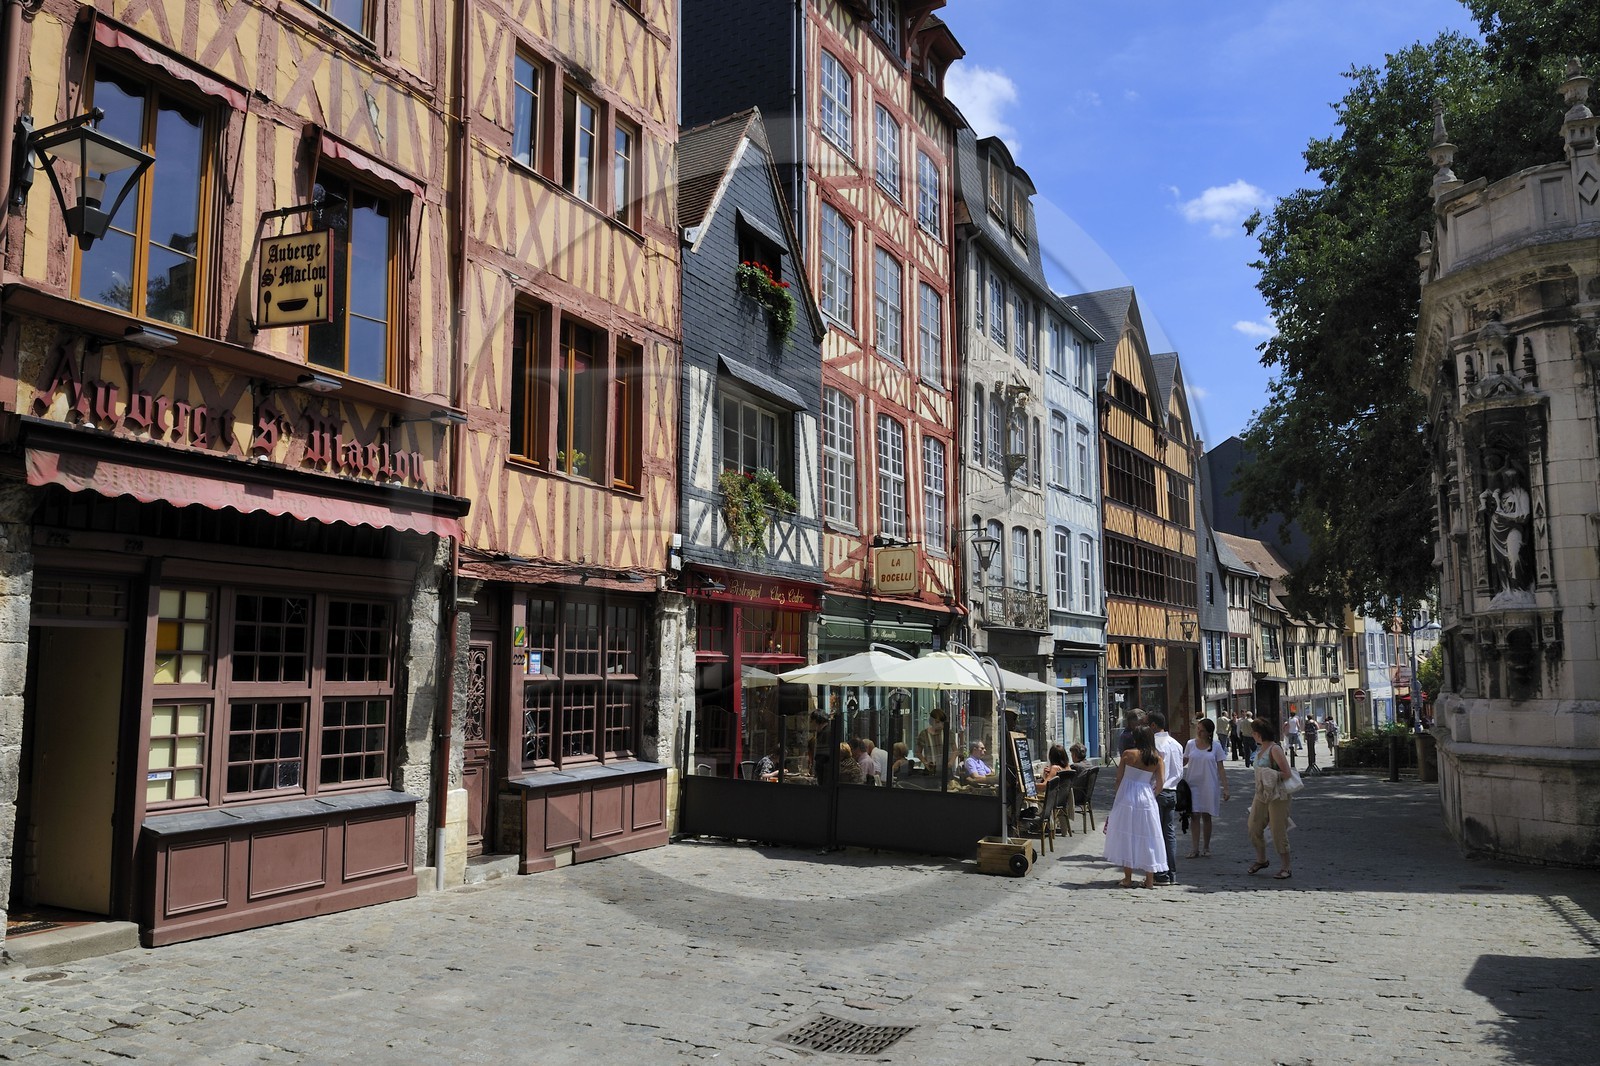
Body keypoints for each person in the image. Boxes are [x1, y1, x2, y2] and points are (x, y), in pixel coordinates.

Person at [1103, 726, 1168, 889]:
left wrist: (1119, 796)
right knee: (1149, 837)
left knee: (1128, 835)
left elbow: (1118, 779)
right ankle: (1150, 880)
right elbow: (1161, 783)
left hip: (1127, 796)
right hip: (1146, 796)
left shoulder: (1127, 754)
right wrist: (1152, 795)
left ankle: (1127, 877)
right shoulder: (1157, 758)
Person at [1247, 717, 1295, 880]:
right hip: (1261, 793)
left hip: (1277, 795)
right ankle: (1261, 860)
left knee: (1277, 830)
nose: (1252, 735)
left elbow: (1287, 773)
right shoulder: (1259, 749)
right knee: (1253, 826)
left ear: (1258, 734)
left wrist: (1269, 775)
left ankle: (1286, 867)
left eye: (1253, 732)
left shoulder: (1275, 749)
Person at [1182, 718, 1230, 857]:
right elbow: (1184, 761)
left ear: (1209, 733)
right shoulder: (1190, 744)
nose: (1199, 732)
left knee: (1206, 816)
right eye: (1198, 729)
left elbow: (1220, 768)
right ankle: (1195, 848)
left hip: (1209, 784)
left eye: (1202, 730)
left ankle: (1206, 847)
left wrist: (1226, 788)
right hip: (1192, 785)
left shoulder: (1216, 746)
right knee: (1194, 815)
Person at [1148, 711, 1185, 885]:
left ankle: (1161, 873)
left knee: (1157, 834)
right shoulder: (1176, 744)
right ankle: (1172, 873)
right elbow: (1179, 771)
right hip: (1172, 791)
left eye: (1149, 725)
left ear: (1154, 725)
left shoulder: (1155, 744)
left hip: (1158, 791)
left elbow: (1152, 772)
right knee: (1169, 834)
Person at [915, 708, 950, 777]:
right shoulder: (924, 734)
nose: (940, 725)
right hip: (930, 770)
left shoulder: (948, 733)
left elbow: (955, 750)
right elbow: (918, 752)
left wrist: (950, 762)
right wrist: (925, 763)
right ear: (931, 721)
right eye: (937, 722)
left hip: (946, 770)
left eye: (941, 722)